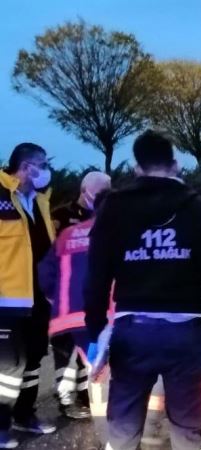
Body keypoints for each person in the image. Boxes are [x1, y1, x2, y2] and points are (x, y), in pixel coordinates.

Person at [84, 130, 201, 450]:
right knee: (188, 424)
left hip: (132, 332)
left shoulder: (113, 208)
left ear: (137, 168)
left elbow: (95, 277)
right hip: (186, 334)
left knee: (124, 422)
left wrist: (96, 331)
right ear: (176, 165)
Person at [0, 143, 57, 448]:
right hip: (6, 299)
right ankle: (0, 424)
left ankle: (24, 414)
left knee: (34, 360)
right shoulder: (0, 195)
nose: (46, 169)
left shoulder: (39, 201)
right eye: (41, 164)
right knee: (8, 366)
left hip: (38, 297)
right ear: (25, 167)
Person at [41, 183, 111, 420]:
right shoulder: (114, 234)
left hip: (65, 314)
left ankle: (82, 402)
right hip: (101, 315)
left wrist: (57, 298)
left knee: (74, 361)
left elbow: (45, 273)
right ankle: (103, 412)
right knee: (98, 363)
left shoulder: (68, 234)